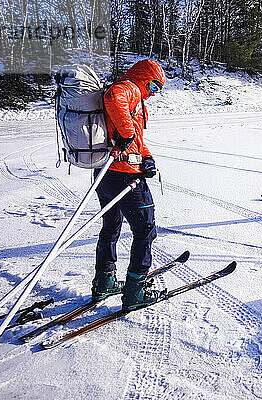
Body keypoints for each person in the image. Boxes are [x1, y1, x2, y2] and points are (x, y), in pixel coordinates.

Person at [91, 59, 166, 311]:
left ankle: (105, 280)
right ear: (145, 78)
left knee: (110, 227)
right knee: (145, 230)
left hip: (106, 171)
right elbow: (114, 97)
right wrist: (126, 133)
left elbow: (137, 138)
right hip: (126, 175)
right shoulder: (128, 88)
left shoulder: (135, 96)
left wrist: (147, 157)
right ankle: (136, 289)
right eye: (154, 87)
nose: (153, 93)